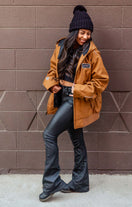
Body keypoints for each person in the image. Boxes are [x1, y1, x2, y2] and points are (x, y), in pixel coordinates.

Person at [39, 5, 109, 202]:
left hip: (75, 101)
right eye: (82, 32)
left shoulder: (93, 53)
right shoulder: (61, 47)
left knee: (48, 135)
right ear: (74, 31)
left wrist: (73, 89)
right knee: (77, 140)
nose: (85, 36)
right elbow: (52, 71)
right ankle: (80, 182)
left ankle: (51, 182)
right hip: (62, 98)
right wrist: (52, 85)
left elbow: (101, 82)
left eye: (88, 33)